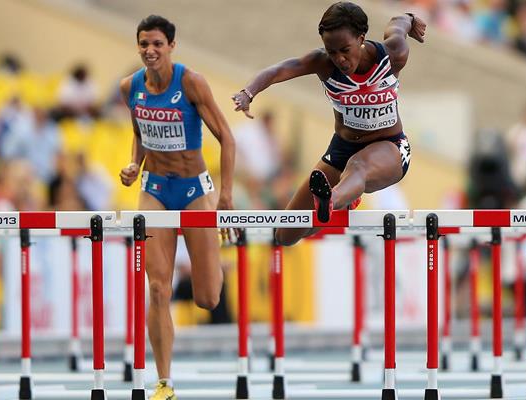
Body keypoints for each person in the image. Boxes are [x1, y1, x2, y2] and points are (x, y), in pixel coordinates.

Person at [233, 1, 425, 245]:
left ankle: (335, 199)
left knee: (357, 167)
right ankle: (343, 199)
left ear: (361, 38)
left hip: (389, 146)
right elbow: (279, 69)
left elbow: (397, 24)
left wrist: (409, 17)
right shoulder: (322, 62)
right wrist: (248, 93)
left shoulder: (392, 54)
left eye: (345, 50)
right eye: (332, 52)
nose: (340, 60)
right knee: (286, 234)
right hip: (342, 149)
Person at [118, 15, 235, 400]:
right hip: (154, 190)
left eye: (156, 44)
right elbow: (139, 133)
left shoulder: (190, 82)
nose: (149, 50)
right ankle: (164, 383)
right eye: (143, 44)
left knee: (208, 298)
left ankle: (213, 266)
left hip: (194, 190)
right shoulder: (130, 87)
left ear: (171, 46)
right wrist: (135, 163)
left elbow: (227, 139)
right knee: (156, 288)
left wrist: (226, 197)